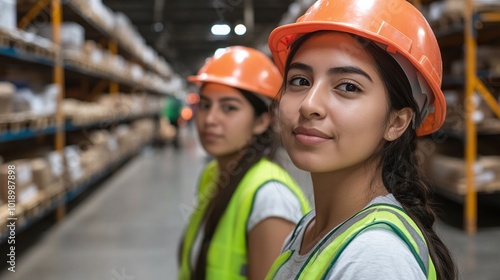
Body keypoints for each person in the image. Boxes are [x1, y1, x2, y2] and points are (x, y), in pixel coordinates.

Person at [265, 0, 457, 279]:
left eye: (348, 86)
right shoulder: (309, 228)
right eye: (300, 81)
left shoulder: (375, 258)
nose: (309, 105)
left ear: (396, 122)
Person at [178, 46, 311, 280]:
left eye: (229, 108)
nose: (210, 119)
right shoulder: (213, 173)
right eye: (205, 105)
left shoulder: (271, 199)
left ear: (261, 121)